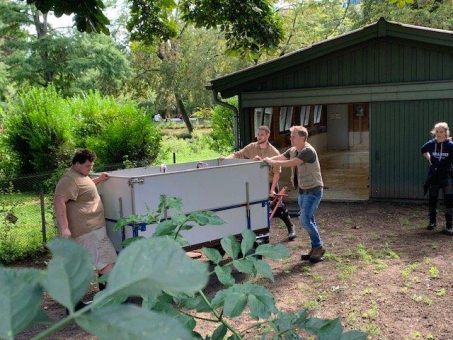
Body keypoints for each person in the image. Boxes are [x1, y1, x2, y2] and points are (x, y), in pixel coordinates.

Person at [54, 149, 117, 301]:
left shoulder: (80, 176)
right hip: (89, 230)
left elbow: (82, 190)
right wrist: (64, 228)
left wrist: (99, 179)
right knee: (107, 262)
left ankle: (77, 303)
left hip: (91, 229)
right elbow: (59, 201)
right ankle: (110, 300)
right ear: (76, 163)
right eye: (88, 166)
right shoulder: (69, 180)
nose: (90, 168)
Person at [220, 125, 296, 240]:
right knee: (256, 208)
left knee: (277, 207)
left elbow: (277, 173)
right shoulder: (251, 147)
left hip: (269, 183)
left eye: (261, 135)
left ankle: (290, 227)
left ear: (267, 136)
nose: (259, 136)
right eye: (258, 134)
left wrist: (272, 190)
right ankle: (261, 234)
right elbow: (237, 154)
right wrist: (225, 159)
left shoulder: (273, 151)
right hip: (254, 183)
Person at [264, 125, 325, 263]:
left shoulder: (308, 151)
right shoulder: (293, 150)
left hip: (313, 191)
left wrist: (271, 162)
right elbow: (282, 156)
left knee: (304, 220)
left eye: (293, 136)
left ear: (302, 138)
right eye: (291, 136)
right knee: (309, 219)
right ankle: (315, 247)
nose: (290, 138)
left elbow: (292, 163)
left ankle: (318, 246)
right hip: (303, 191)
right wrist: (265, 159)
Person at [421, 122, 453, 235]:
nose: (439, 134)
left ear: (446, 133)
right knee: (432, 199)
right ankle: (432, 222)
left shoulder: (450, 145)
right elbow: (423, 150)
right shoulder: (431, 143)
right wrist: (430, 159)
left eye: (441, 132)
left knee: (449, 200)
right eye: (437, 132)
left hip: (446, 176)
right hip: (434, 176)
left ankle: (449, 226)